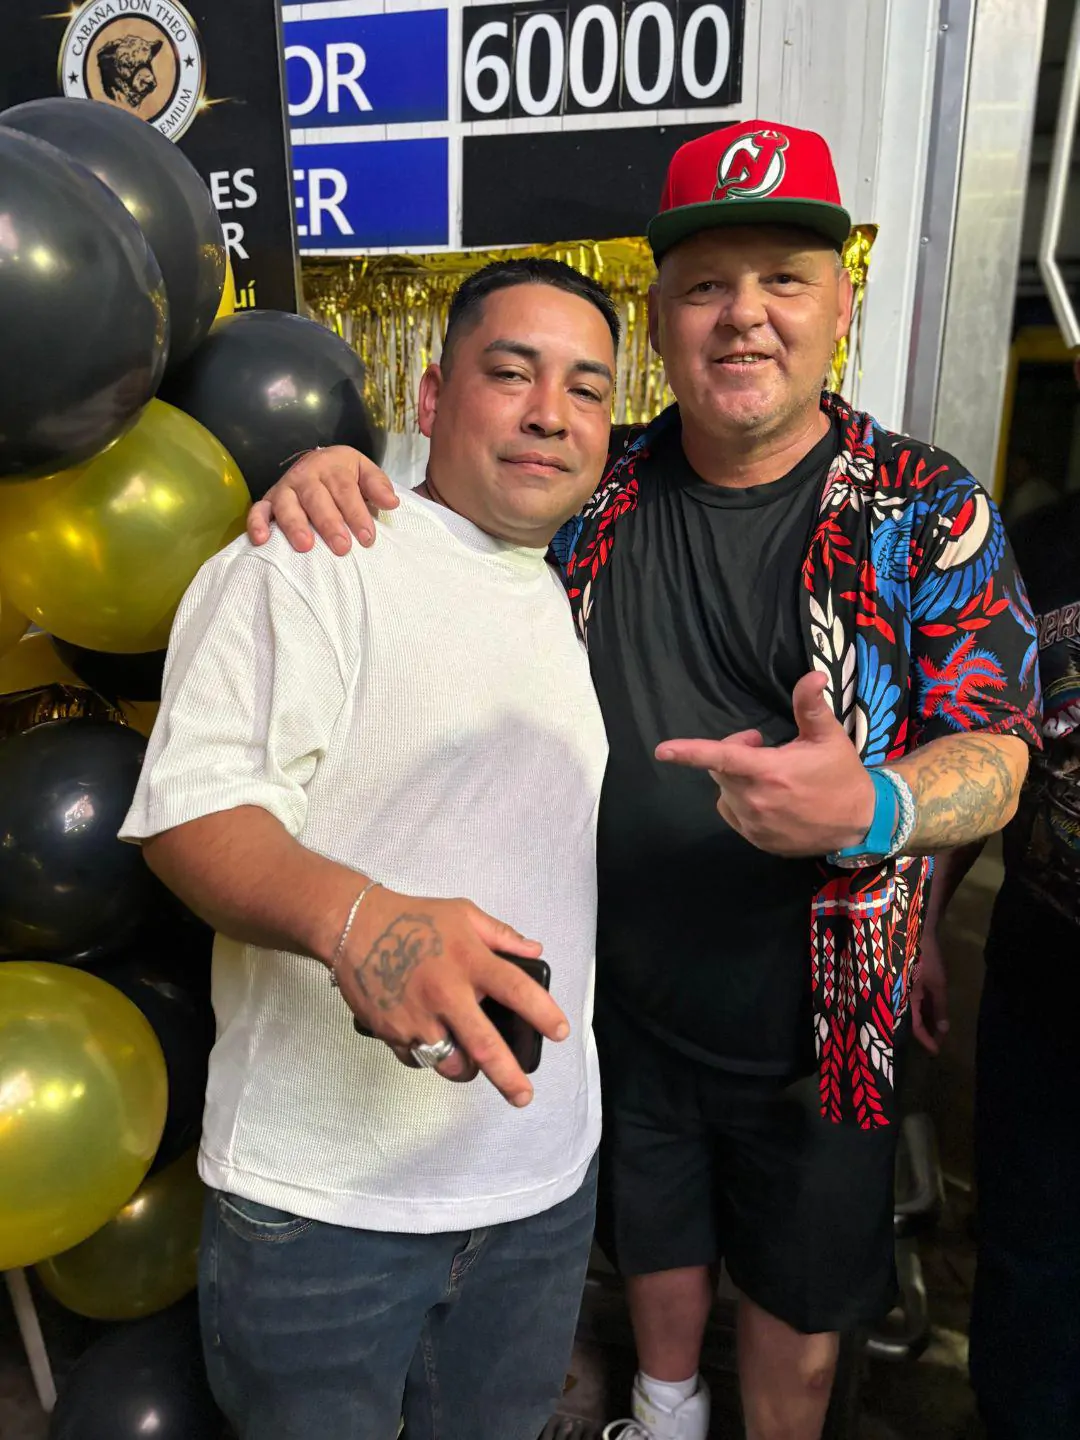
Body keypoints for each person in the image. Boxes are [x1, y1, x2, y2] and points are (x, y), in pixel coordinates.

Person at [249, 120, 1041, 1440]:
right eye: (706, 286)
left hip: (823, 1020)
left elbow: (1000, 750)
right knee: (654, 1253)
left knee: (797, 1312)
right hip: (614, 998)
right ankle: (661, 1414)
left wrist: (879, 808)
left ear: (840, 306)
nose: (746, 316)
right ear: (662, 320)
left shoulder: (922, 505)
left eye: (783, 280)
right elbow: (444, 526)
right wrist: (342, 474)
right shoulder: (595, 483)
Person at [119, 258, 619, 1440]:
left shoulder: (565, 582)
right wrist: (361, 922)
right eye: (512, 373)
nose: (551, 412)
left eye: (588, 389)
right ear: (433, 397)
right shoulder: (310, 556)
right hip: (325, 1210)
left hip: (540, 1190)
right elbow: (190, 817)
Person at [916, 488, 1079, 1440]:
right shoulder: (1036, 544)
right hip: (1045, 978)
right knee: (1030, 1255)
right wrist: (925, 924)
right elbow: (983, 748)